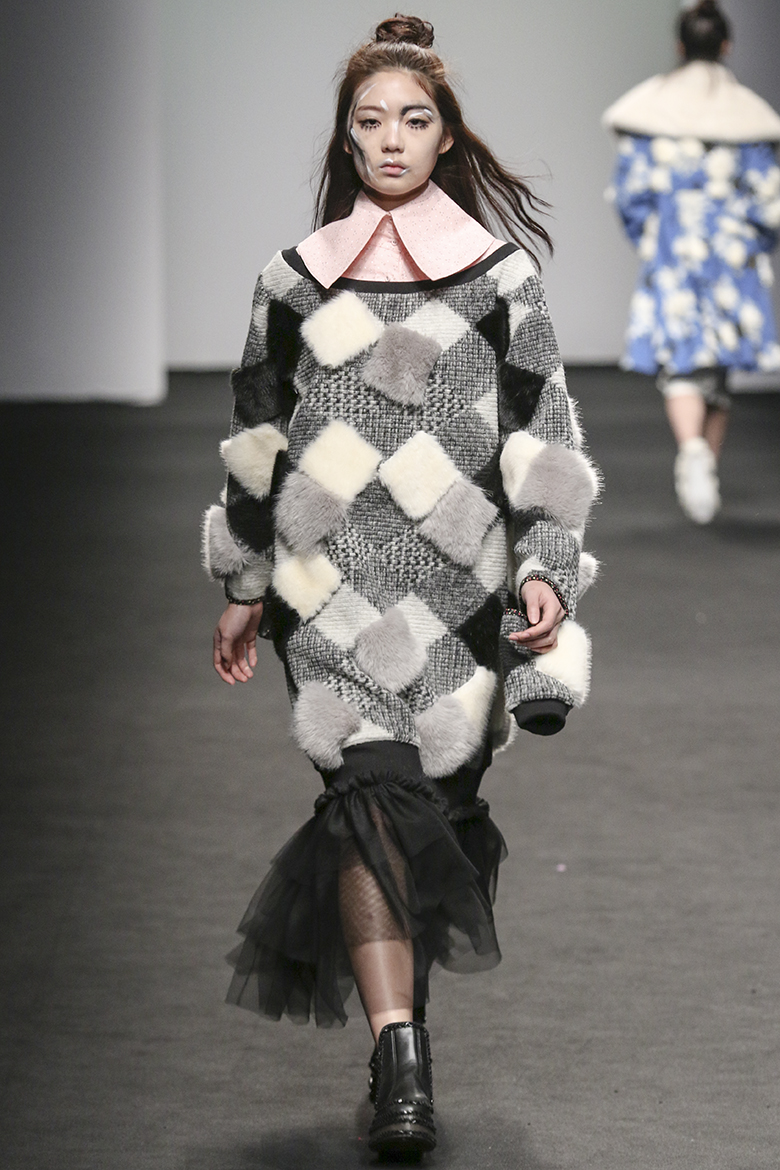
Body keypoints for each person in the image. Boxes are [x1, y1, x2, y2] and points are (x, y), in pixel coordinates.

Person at [202, 14, 599, 1157]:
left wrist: (546, 570)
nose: (389, 139)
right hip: (328, 590)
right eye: (370, 121)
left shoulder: (498, 278)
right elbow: (257, 436)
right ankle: (402, 1057)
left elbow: (544, 435)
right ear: (346, 136)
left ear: (445, 136)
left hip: (462, 589)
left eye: (412, 120)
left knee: (438, 816)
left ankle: (397, 1052)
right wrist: (244, 580)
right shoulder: (295, 279)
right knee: (369, 800)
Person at [603, 0, 780, 524]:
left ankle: (693, 450)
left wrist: (654, 238)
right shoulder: (748, 117)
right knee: (718, 368)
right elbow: (769, 200)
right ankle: (705, 464)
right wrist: (752, 243)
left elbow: (630, 193)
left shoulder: (652, 114)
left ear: (680, 45)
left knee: (682, 360)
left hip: (675, 252)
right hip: (732, 257)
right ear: (726, 45)